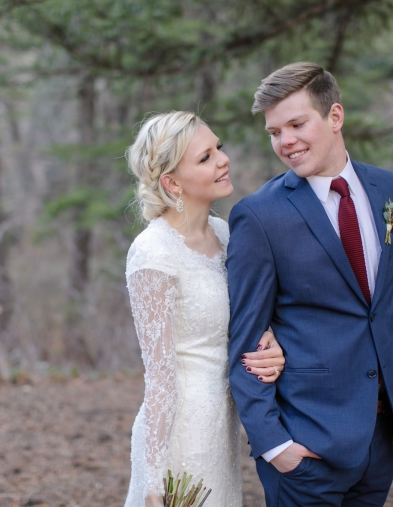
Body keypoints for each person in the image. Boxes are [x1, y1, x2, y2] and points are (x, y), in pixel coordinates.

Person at [227, 62, 393, 506]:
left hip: (383, 436)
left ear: (335, 117)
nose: (286, 142)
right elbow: (244, 339)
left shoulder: (391, 190)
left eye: (297, 124)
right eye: (275, 132)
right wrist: (276, 447)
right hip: (307, 448)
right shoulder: (260, 216)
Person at [123, 111, 286, 507]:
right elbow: (160, 377)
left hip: (223, 425)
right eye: (204, 157)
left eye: (219, 148)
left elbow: (244, 321)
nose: (222, 160)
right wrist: (154, 478)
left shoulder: (226, 234)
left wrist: (272, 344)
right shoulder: (152, 254)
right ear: (171, 182)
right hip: (182, 433)